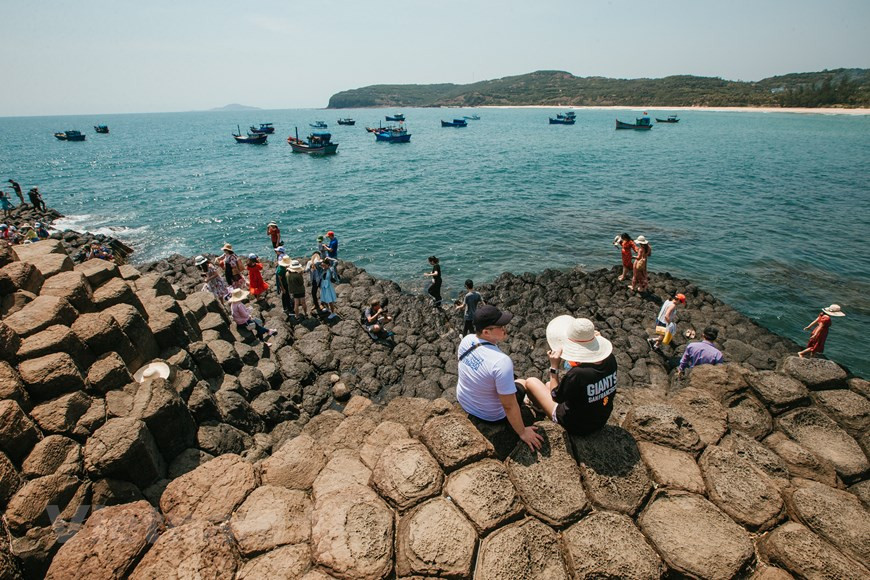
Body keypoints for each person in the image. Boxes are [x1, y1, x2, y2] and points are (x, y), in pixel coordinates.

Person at [455, 305, 543, 451]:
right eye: (500, 326)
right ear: (486, 332)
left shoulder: (467, 340)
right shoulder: (501, 362)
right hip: (491, 415)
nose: (505, 329)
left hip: (465, 402)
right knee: (522, 382)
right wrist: (522, 432)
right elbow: (509, 406)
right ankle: (536, 407)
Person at [519, 316, 617, 436]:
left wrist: (554, 367)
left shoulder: (578, 374)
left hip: (575, 425)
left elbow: (555, 396)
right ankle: (542, 406)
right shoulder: (610, 359)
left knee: (531, 382)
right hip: (600, 420)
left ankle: (539, 410)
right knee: (548, 385)